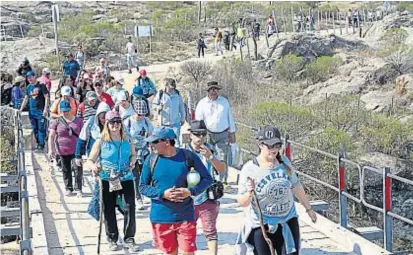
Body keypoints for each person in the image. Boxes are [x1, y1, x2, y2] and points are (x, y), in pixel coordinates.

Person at [236, 125, 317, 255]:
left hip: (287, 220)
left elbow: (296, 186)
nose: (274, 149)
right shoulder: (250, 168)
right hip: (262, 225)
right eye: (270, 146)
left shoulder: (284, 162)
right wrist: (249, 193)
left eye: (277, 145)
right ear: (261, 145)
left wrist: (309, 209)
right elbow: (241, 202)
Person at [139, 126, 213, 255]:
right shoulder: (151, 160)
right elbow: (142, 187)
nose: (151, 145)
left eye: (155, 141)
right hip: (161, 217)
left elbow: (207, 179)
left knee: (188, 252)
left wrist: (190, 191)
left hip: (185, 215)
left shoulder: (188, 157)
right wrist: (163, 194)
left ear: (167, 142)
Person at [87, 110, 139, 252]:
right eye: (112, 122)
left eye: (118, 122)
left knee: (129, 207)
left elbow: (134, 155)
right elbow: (90, 160)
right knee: (108, 209)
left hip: (126, 177)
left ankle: (129, 238)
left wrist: (133, 161)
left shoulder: (128, 139)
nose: (115, 125)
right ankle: (112, 238)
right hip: (107, 178)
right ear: (107, 124)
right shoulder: (101, 141)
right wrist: (94, 166)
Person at [185, 120, 226, 255]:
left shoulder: (211, 149)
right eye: (197, 134)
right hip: (188, 197)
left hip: (207, 197)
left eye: (203, 134)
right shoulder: (183, 151)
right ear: (190, 135)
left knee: (210, 231)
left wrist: (210, 157)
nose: (200, 138)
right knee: (187, 233)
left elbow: (221, 169)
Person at [195, 81, 236, 189]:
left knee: (223, 157)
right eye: (211, 89)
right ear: (208, 91)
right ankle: (210, 180)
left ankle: (223, 181)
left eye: (215, 89)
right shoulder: (202, 104)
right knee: (208, 157)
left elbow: (230, 117)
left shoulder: (224, 102)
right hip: (208, 134)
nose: (214, 91)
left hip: (222, 134)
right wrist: (200, 136)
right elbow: (198, 121)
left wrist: (232, 132)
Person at [48, 100, 84, 196]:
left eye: (67, 110)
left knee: (78, 169)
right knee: (66, 169)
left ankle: (78, 188)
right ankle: (68, 188)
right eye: (64, 111)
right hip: (62, 150)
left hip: (76, 149)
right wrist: (51, 149)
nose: (66, 113)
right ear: (60, 111)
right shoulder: (57, 121)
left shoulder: (78, 121)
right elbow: (51, 136)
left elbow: (83, 136)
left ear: (70, 110)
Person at [124, 99, 154, 210]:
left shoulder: (146, 122)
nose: (141, 116)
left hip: (144, 151)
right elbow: (125, 138)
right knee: (135, 176)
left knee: (145, 174)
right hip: (132, 152)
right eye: (139, 114)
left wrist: (152, 148)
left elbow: (151, 135)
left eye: (143, 114)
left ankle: (145, 193)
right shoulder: (128, 122)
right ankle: (138, 198)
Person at [19, 71, 50, 151]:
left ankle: (41, 145)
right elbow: (26, 98)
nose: (29, 79)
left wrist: (45, 109)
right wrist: (21, 109)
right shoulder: (29, 87)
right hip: (32, 112)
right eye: (28, 78)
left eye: (30, 77)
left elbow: (46, 97)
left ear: (34, 76)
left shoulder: (41, 85)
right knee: (34, 128)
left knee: (41, 128)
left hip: (40, 111)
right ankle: (38, 143)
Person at [152, 78, 186, 147]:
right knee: (164, 143)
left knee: (176, 143)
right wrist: (158, 108)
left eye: (173, 88)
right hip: (164, 124)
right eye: (170, 88)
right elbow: (154, 105)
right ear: (166, 86)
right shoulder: (161, 94)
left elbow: (181, 106)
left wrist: (183, 118)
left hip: (175, 123)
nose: (172, 89)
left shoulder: (177, 94)